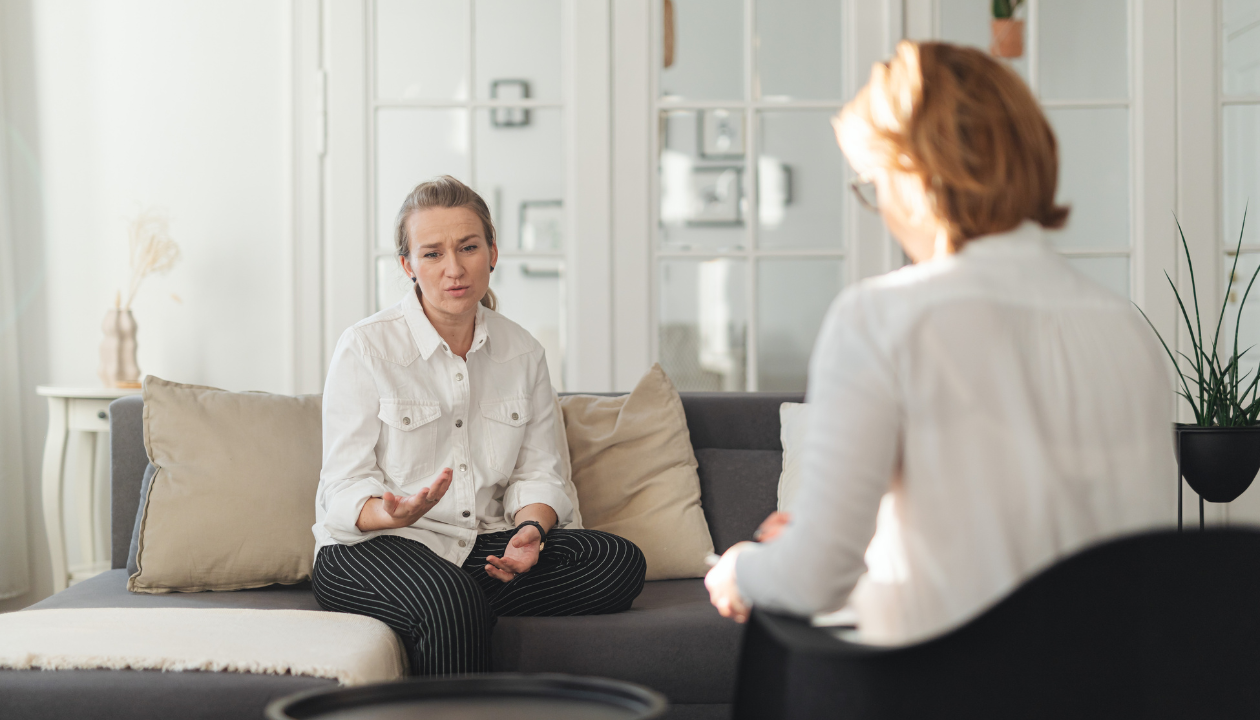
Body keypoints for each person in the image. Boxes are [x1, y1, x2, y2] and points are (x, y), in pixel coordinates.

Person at [705, 41, 1174, 645]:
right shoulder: (1128, 329)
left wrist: (742, 568)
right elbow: (1050, 537)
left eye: (874, 183)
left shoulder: (881, 316)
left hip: (948, 681)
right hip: (1118, 680)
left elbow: (813, 580)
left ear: (914, 176)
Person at [311, 176, 646, 675]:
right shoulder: (365, 347)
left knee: (616, 561)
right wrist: (392, 513)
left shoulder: (523, 352)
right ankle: (450, 610)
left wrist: (530, 529)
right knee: (451, 600)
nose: (454, 269)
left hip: (480, 547)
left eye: (468, 247)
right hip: (373, 547)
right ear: (408, 265)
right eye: (432, 254)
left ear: (492, 252)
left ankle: (449, 611)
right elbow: (342, 487)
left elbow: (540, 472)